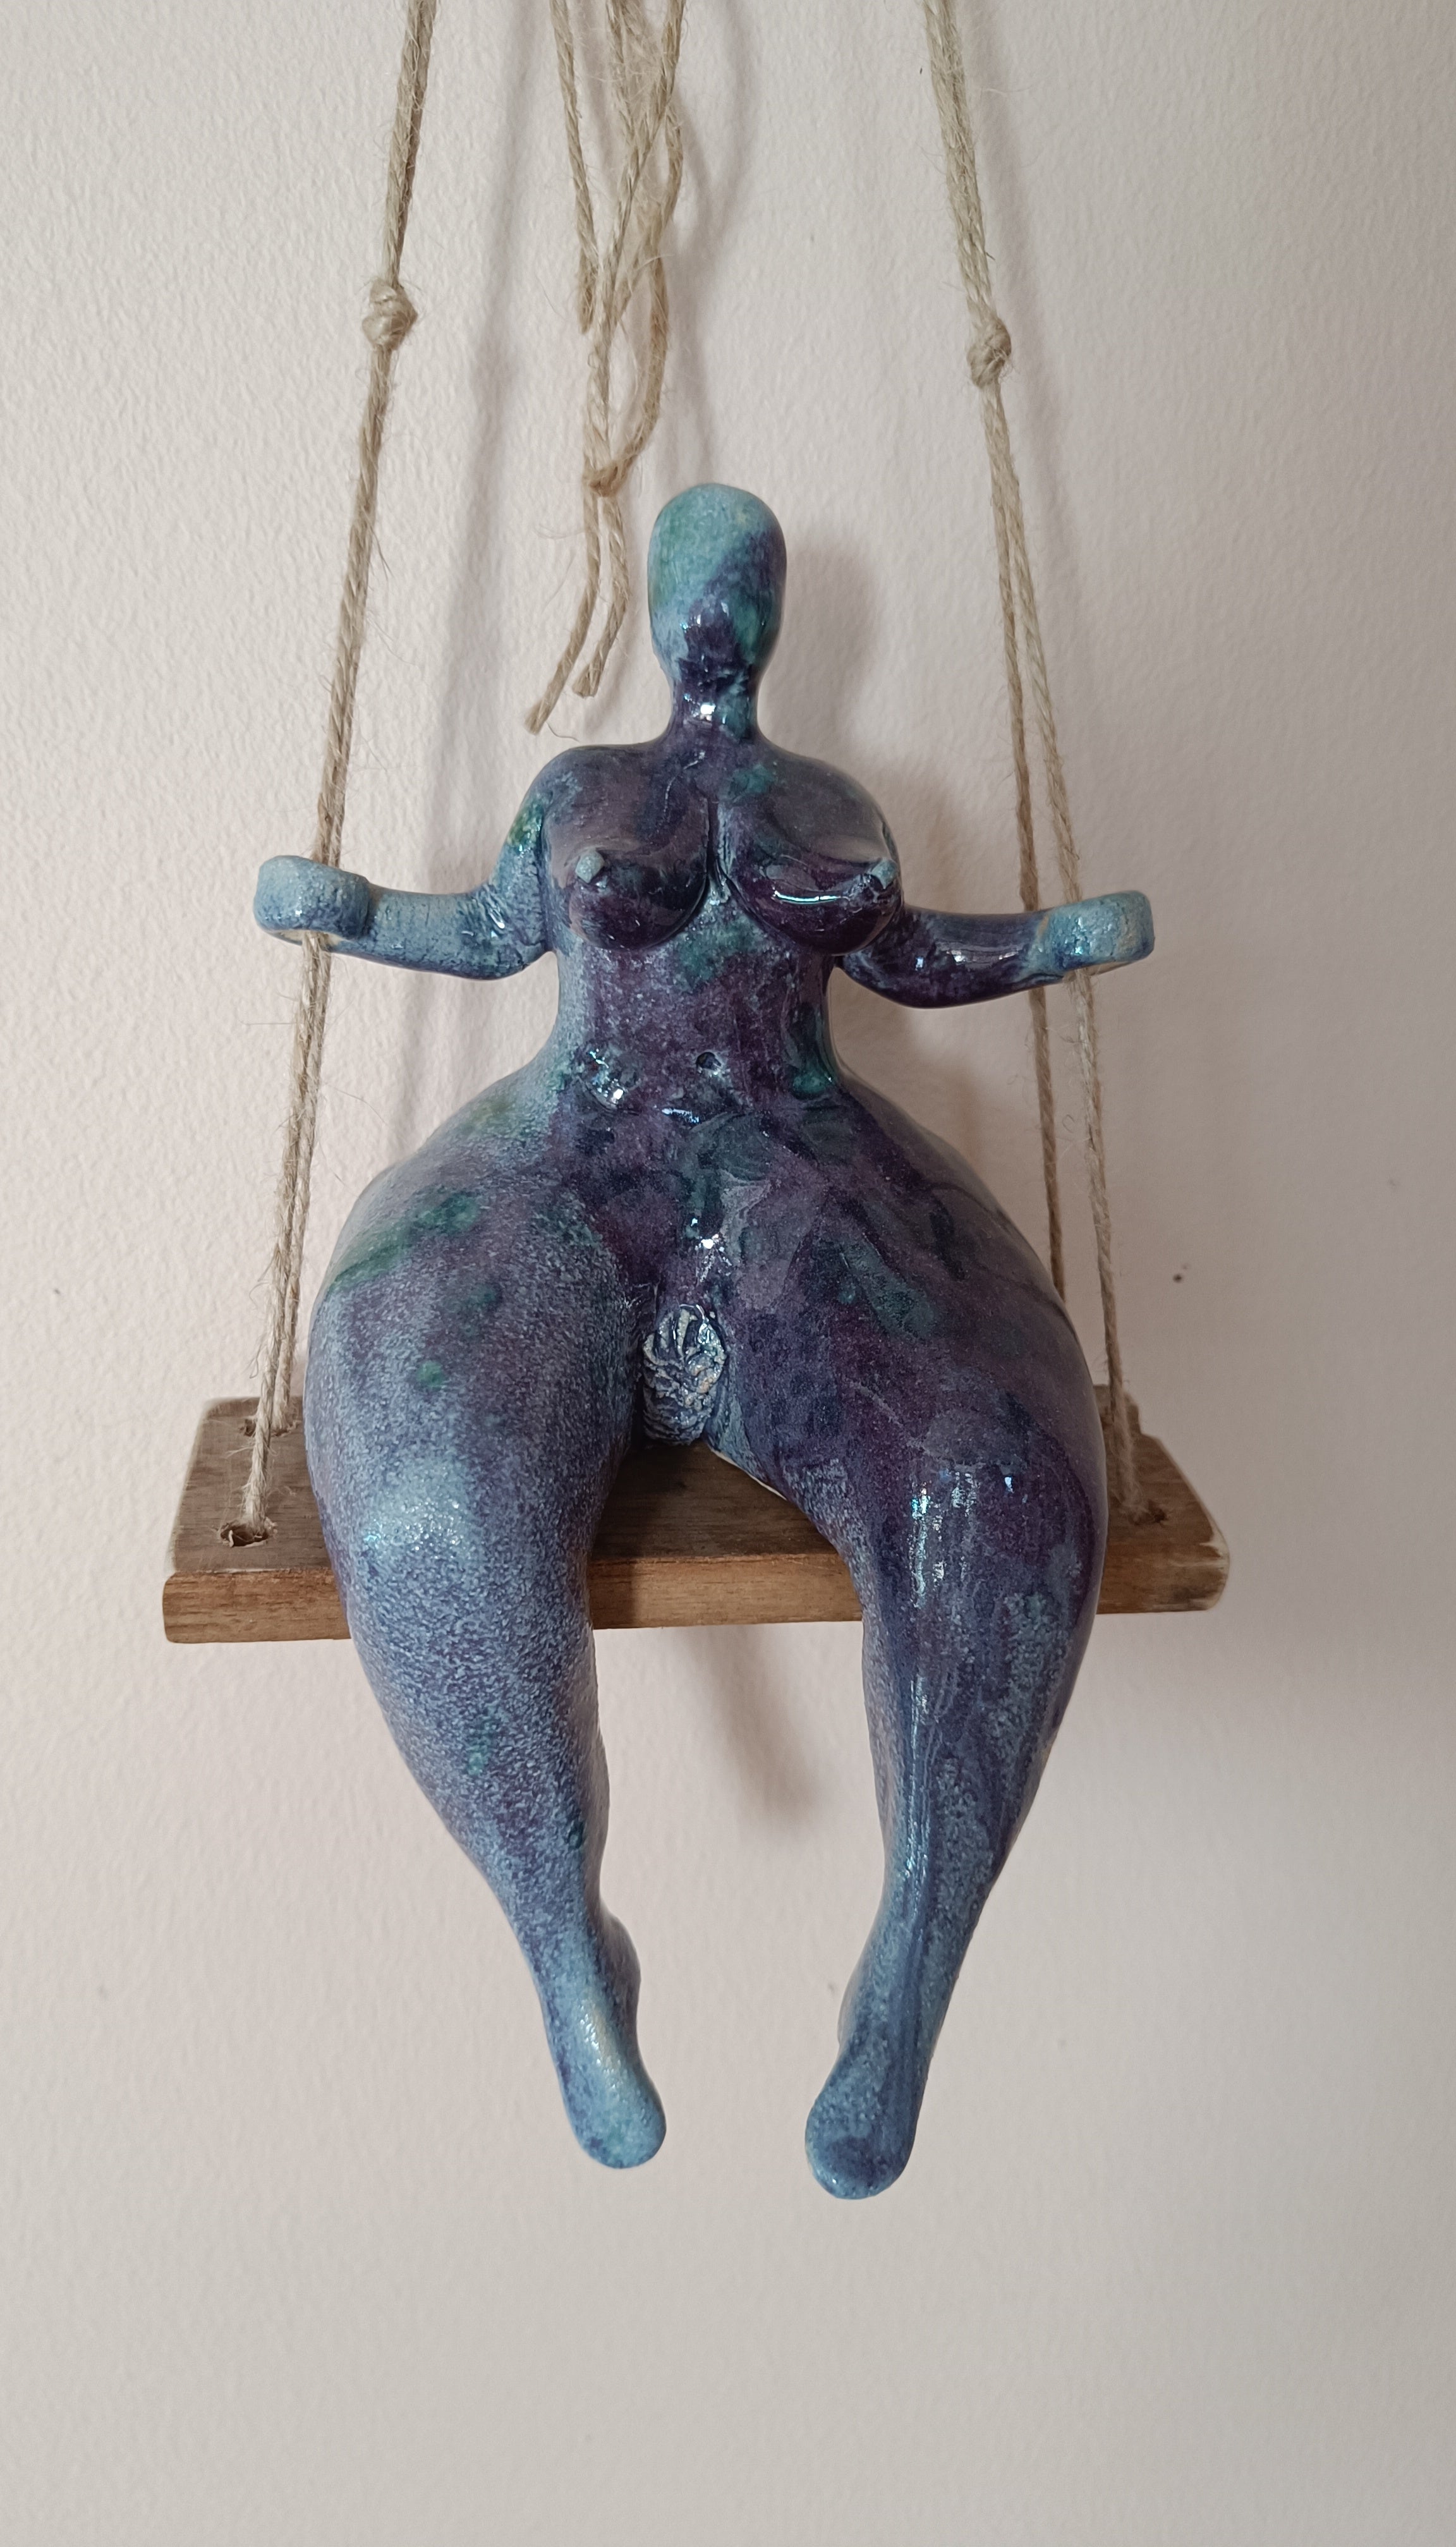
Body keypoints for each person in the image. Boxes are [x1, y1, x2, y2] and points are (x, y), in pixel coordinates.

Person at [255, 483, 1153, 2197]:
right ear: (659, 605)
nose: (718, 611)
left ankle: (916, 1956)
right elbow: (486, 933)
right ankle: (562, 1944)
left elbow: (915, 959)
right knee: (429, 1465)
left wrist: (1056, 943)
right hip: (560, 1163)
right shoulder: (582, 789)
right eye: (696, 581)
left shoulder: (832, 805)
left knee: (997, 1473)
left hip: (802, 1175)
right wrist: (347, 909)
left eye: (745, 583)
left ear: (776, 613)